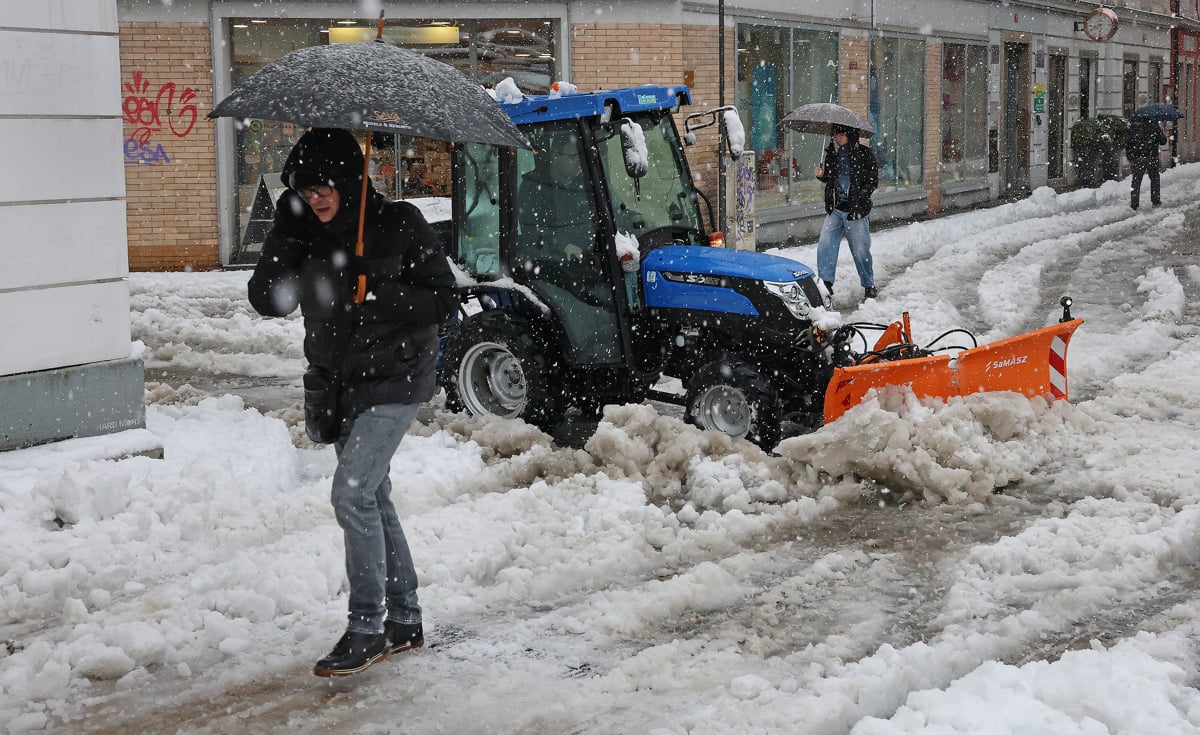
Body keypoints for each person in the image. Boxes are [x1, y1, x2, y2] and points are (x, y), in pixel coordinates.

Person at [247, 128, 457, 677]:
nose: (316, 198)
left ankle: (366, 627)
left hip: (396, 379)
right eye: (305, 189)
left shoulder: (400, 223)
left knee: (352, 493)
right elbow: (267, 300)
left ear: (348, 181)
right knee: (374, 498)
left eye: (324, 187)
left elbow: (444, 300)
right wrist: (285, 232)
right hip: (339, 384)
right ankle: (405, 620)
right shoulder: (306, 233)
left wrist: (377, 291)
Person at [814, 123, 880, 300]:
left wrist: (861, 196)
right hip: (835, 209)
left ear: (851, 134)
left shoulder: (864, 154)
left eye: (842, 134)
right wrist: (822, 175)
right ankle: (826, 283)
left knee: (860, 250)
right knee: (825, 245)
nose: (838, 137)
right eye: (836, 134)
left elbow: (873, 180)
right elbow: (830, 179)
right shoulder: (832, 153)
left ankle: (869, 284)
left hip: (855, 210)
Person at [1125, 117, 1168, 210]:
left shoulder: (1133, 127)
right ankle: (1155, 201)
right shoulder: (1154, 126)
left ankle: (1134, 205)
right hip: (1152, 157)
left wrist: (1129, 157)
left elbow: (1128, 143)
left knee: (1136, 181)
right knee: (1155, 179)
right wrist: (1161, 132)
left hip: (1138, 158)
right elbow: (1163, 141)